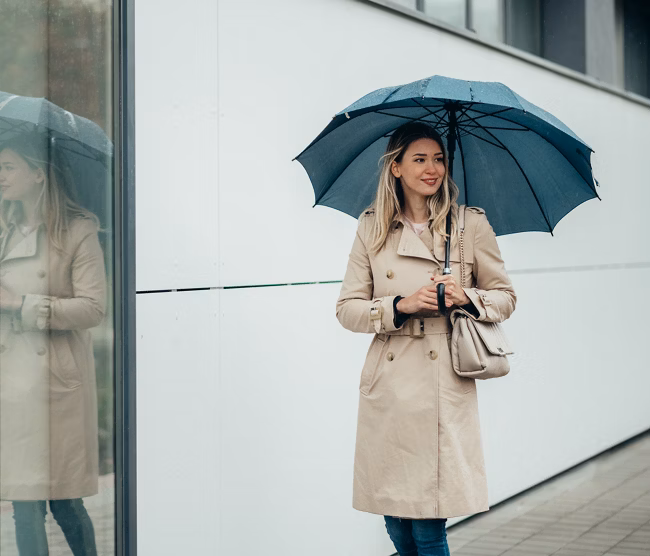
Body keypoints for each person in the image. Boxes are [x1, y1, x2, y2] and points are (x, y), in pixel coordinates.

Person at [335, 121, 516, 555]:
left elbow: (505, 296)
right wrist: (400, 305)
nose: (432, 168)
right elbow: (347, 309)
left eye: (439, 158)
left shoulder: (468, 225)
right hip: (389, 385)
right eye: (419, 159)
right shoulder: (372, 228)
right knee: (397, 523)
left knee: (429, 528)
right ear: (395, 167)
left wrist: (466, 297)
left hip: (442, 387)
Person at [0, 133, 106, 556]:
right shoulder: (3, 230)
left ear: (38, 175)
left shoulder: (78, 232)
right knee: (23, 506)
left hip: (55, 386)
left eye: (8, 168)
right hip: (12, 384)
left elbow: (93, 309)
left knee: (64, 502)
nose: (0, 176)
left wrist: (22, 304)